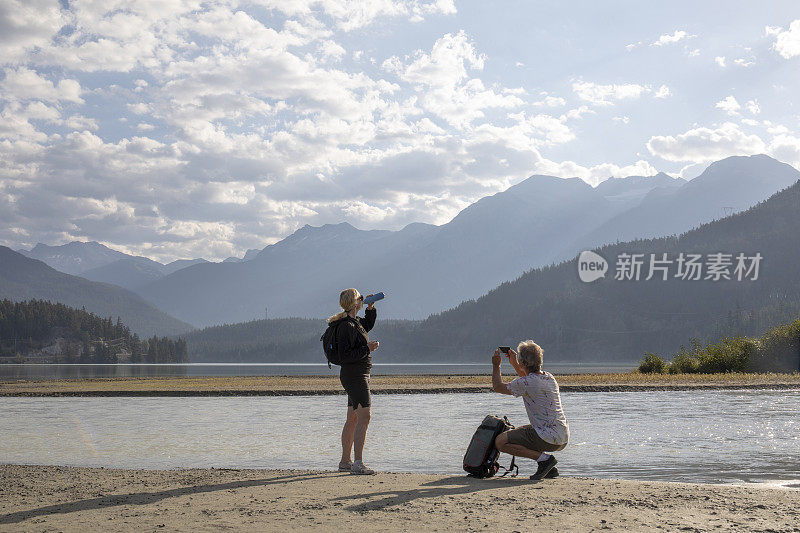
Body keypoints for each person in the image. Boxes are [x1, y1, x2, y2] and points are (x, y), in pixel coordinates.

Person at [490, 340, 569, 480]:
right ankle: (548, 468)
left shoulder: (526, 383)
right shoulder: (549, 377)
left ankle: (544, 460)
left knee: (500, 441)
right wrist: (515, 362)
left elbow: (497, 386)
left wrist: (496, 365)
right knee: (519, 430)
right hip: (562, 436)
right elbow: (527, 379)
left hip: (548, 438)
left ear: (523, 363)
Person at [328, 288, 380, 475]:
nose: (362, 299)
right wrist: (367, 348)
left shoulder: (353, 322)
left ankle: (345, 462)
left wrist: (371, 308)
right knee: (365, 417)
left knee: (353, 418)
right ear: (354, 302)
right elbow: (346, 355)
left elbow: (367, 325)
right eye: (360, 298)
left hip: (356, 375)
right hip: (355, 376)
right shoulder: (346, 326)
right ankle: (358, 463)